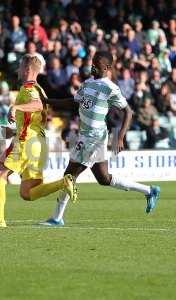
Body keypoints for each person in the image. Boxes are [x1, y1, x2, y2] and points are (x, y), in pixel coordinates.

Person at [40, 51, 160, 227]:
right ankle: (149, 191)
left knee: (69, 175)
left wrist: (120, 138)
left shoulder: (110, 88)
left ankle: (57, 218)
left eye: (96, 64)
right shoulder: (87, 83)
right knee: (104, 179)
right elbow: (73, 103)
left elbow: (128, 112)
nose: (92, 66)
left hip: (94, 138)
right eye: (92, 62)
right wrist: (47, 101)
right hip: (85, 135)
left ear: (106, 67)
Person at [0, 54, 77, 228]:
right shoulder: (41, 89)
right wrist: (14, 126)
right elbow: (36, 115)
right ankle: (64, 182)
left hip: (26, 141)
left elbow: (38, 106)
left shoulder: (28, 88)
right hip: (39, 143)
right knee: (27, 192)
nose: (18, 70)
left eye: (20, 66)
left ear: (27, 69)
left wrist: (15, 107)